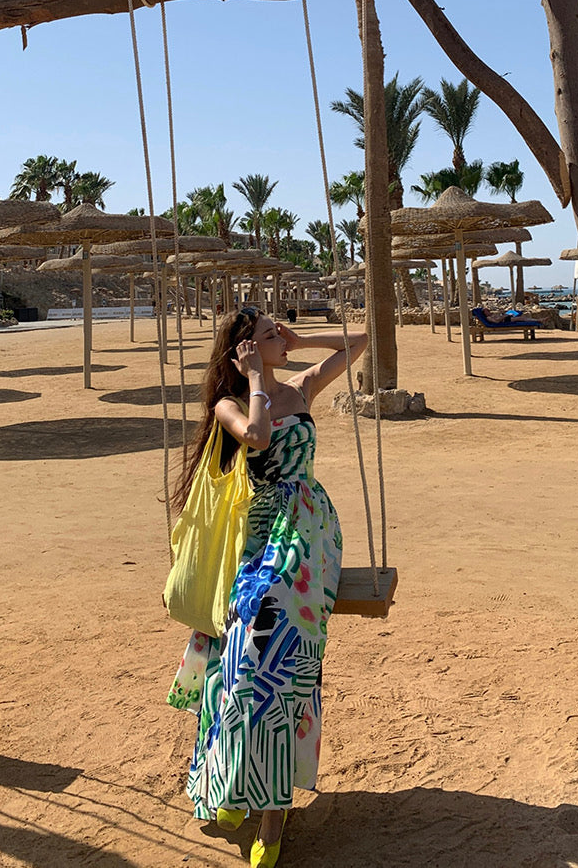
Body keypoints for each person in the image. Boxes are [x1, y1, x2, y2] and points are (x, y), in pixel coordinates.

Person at [168, 306, 367, 868]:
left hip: (309, 530)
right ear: (243, 352)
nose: (278, 338)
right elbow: (256, 438)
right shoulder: (228, 404)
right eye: (266, 335)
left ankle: (273, 816)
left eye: (278, 333)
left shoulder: (301, 387)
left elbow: (361, 340)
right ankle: (235, 786)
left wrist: (302, 340)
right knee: (235, 655)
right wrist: (256, 378)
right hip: (259, 531)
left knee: (273, 641)